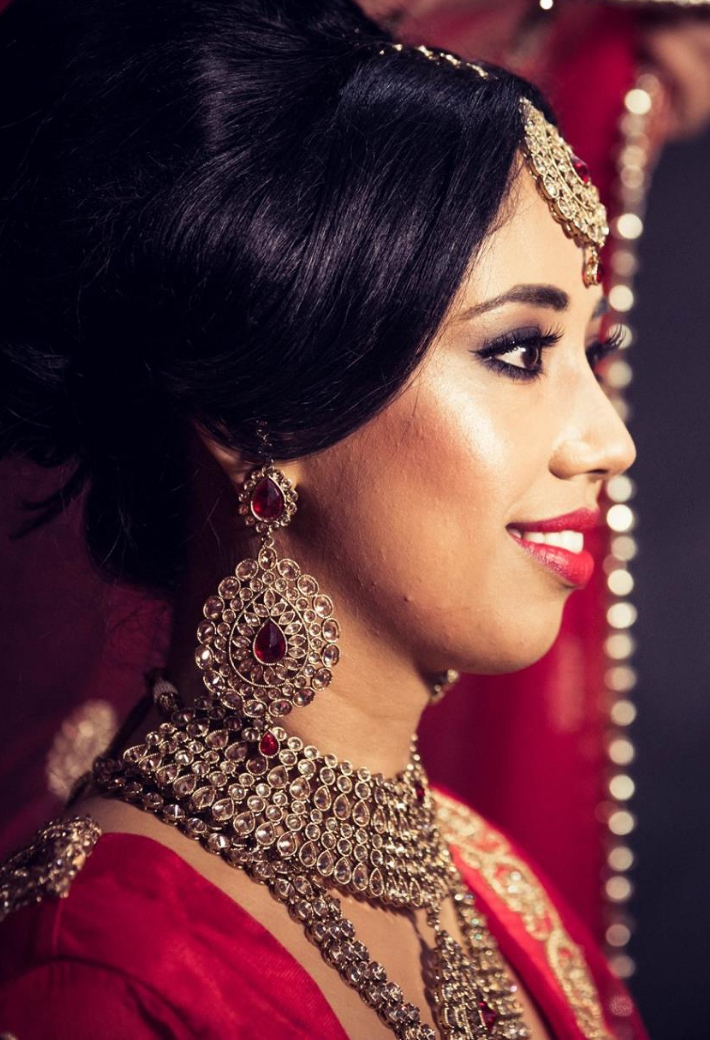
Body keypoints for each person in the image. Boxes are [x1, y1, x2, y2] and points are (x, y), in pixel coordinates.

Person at [0, 0, 645, 1036]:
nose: (606, 438)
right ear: (259, 413)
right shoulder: (100, 976)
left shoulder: (485, 878)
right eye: (518, 350)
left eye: (591, 352)